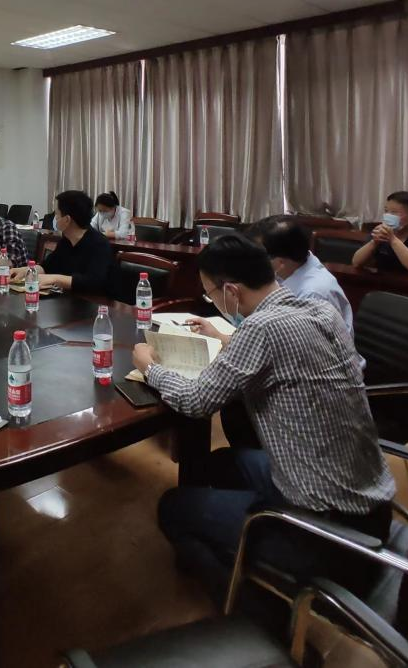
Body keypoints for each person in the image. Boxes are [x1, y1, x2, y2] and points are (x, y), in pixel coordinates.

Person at [132, 233, 394, 603]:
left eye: (210, 294)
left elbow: (195, 401)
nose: (212, 301)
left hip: (327, 529)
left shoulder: (262, 329)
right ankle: (238, 539)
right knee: (221, 464)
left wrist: (150, 367)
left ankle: (255, 603)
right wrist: (227, 340)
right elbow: (280, 354)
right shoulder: (320, 311)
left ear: (231, 291)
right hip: (370, 506)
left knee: (172, 507)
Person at [247, 215, 354, 333]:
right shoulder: (288, 268)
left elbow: (307, 342)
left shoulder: (312, 295)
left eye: (258, 256)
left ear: (280, 262)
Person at [15, 189, 114, 295]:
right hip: (68, 298)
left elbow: (93, 282)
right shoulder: (66, 241)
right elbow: (47, 267)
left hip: (94, 302)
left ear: (67, 219)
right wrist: (27, 270)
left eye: (57, 214)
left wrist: (55, 279)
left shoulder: (99, 244)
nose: (54, 218)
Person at [352, 190, 408, 278]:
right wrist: (374, 242)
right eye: (386, 211)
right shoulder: (379, 231)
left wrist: (393, 240)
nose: (388, 215)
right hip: (380, 282)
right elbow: (356, 263)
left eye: (394, 212)